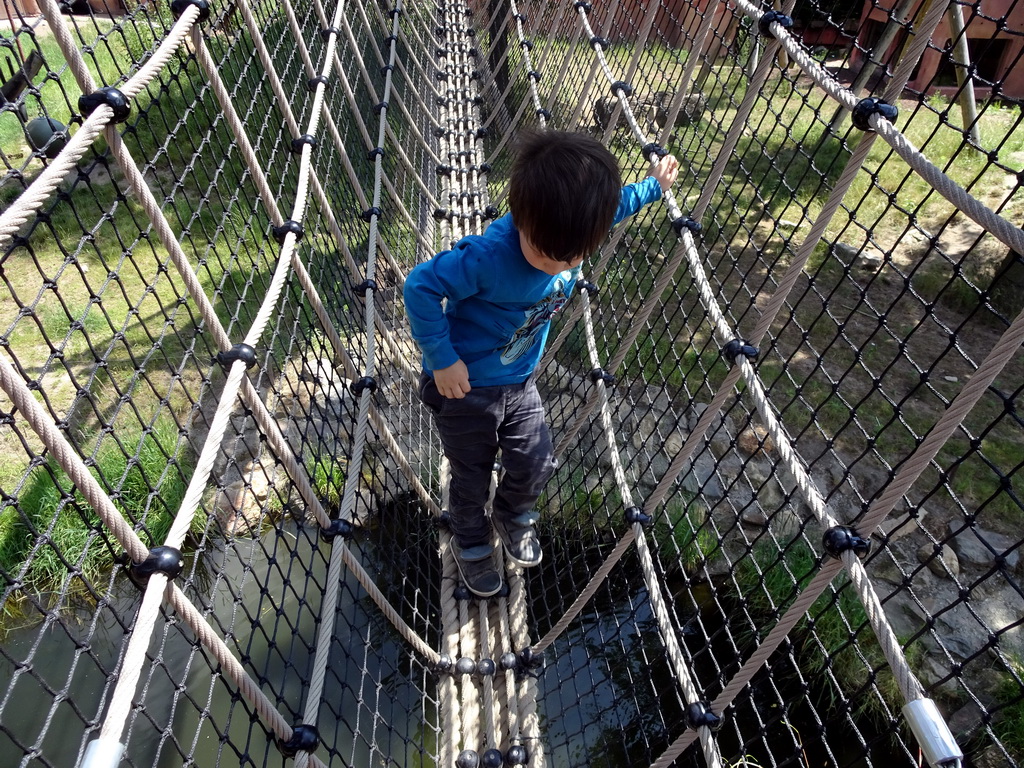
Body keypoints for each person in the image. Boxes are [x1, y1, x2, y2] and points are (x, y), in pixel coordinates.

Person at [404, 130, 679, 597]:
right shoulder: (490, 258)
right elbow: (420, 288)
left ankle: (512, 515)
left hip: (518, 382)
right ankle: (470, 542)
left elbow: (617, 206)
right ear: (521, 218)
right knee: (469, 476)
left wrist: (655, 185)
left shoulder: (570, 227)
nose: (559, 265)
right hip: (465, 389)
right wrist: (442, 359)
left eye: (573, 257)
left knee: (536, 460)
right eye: (544, 254)